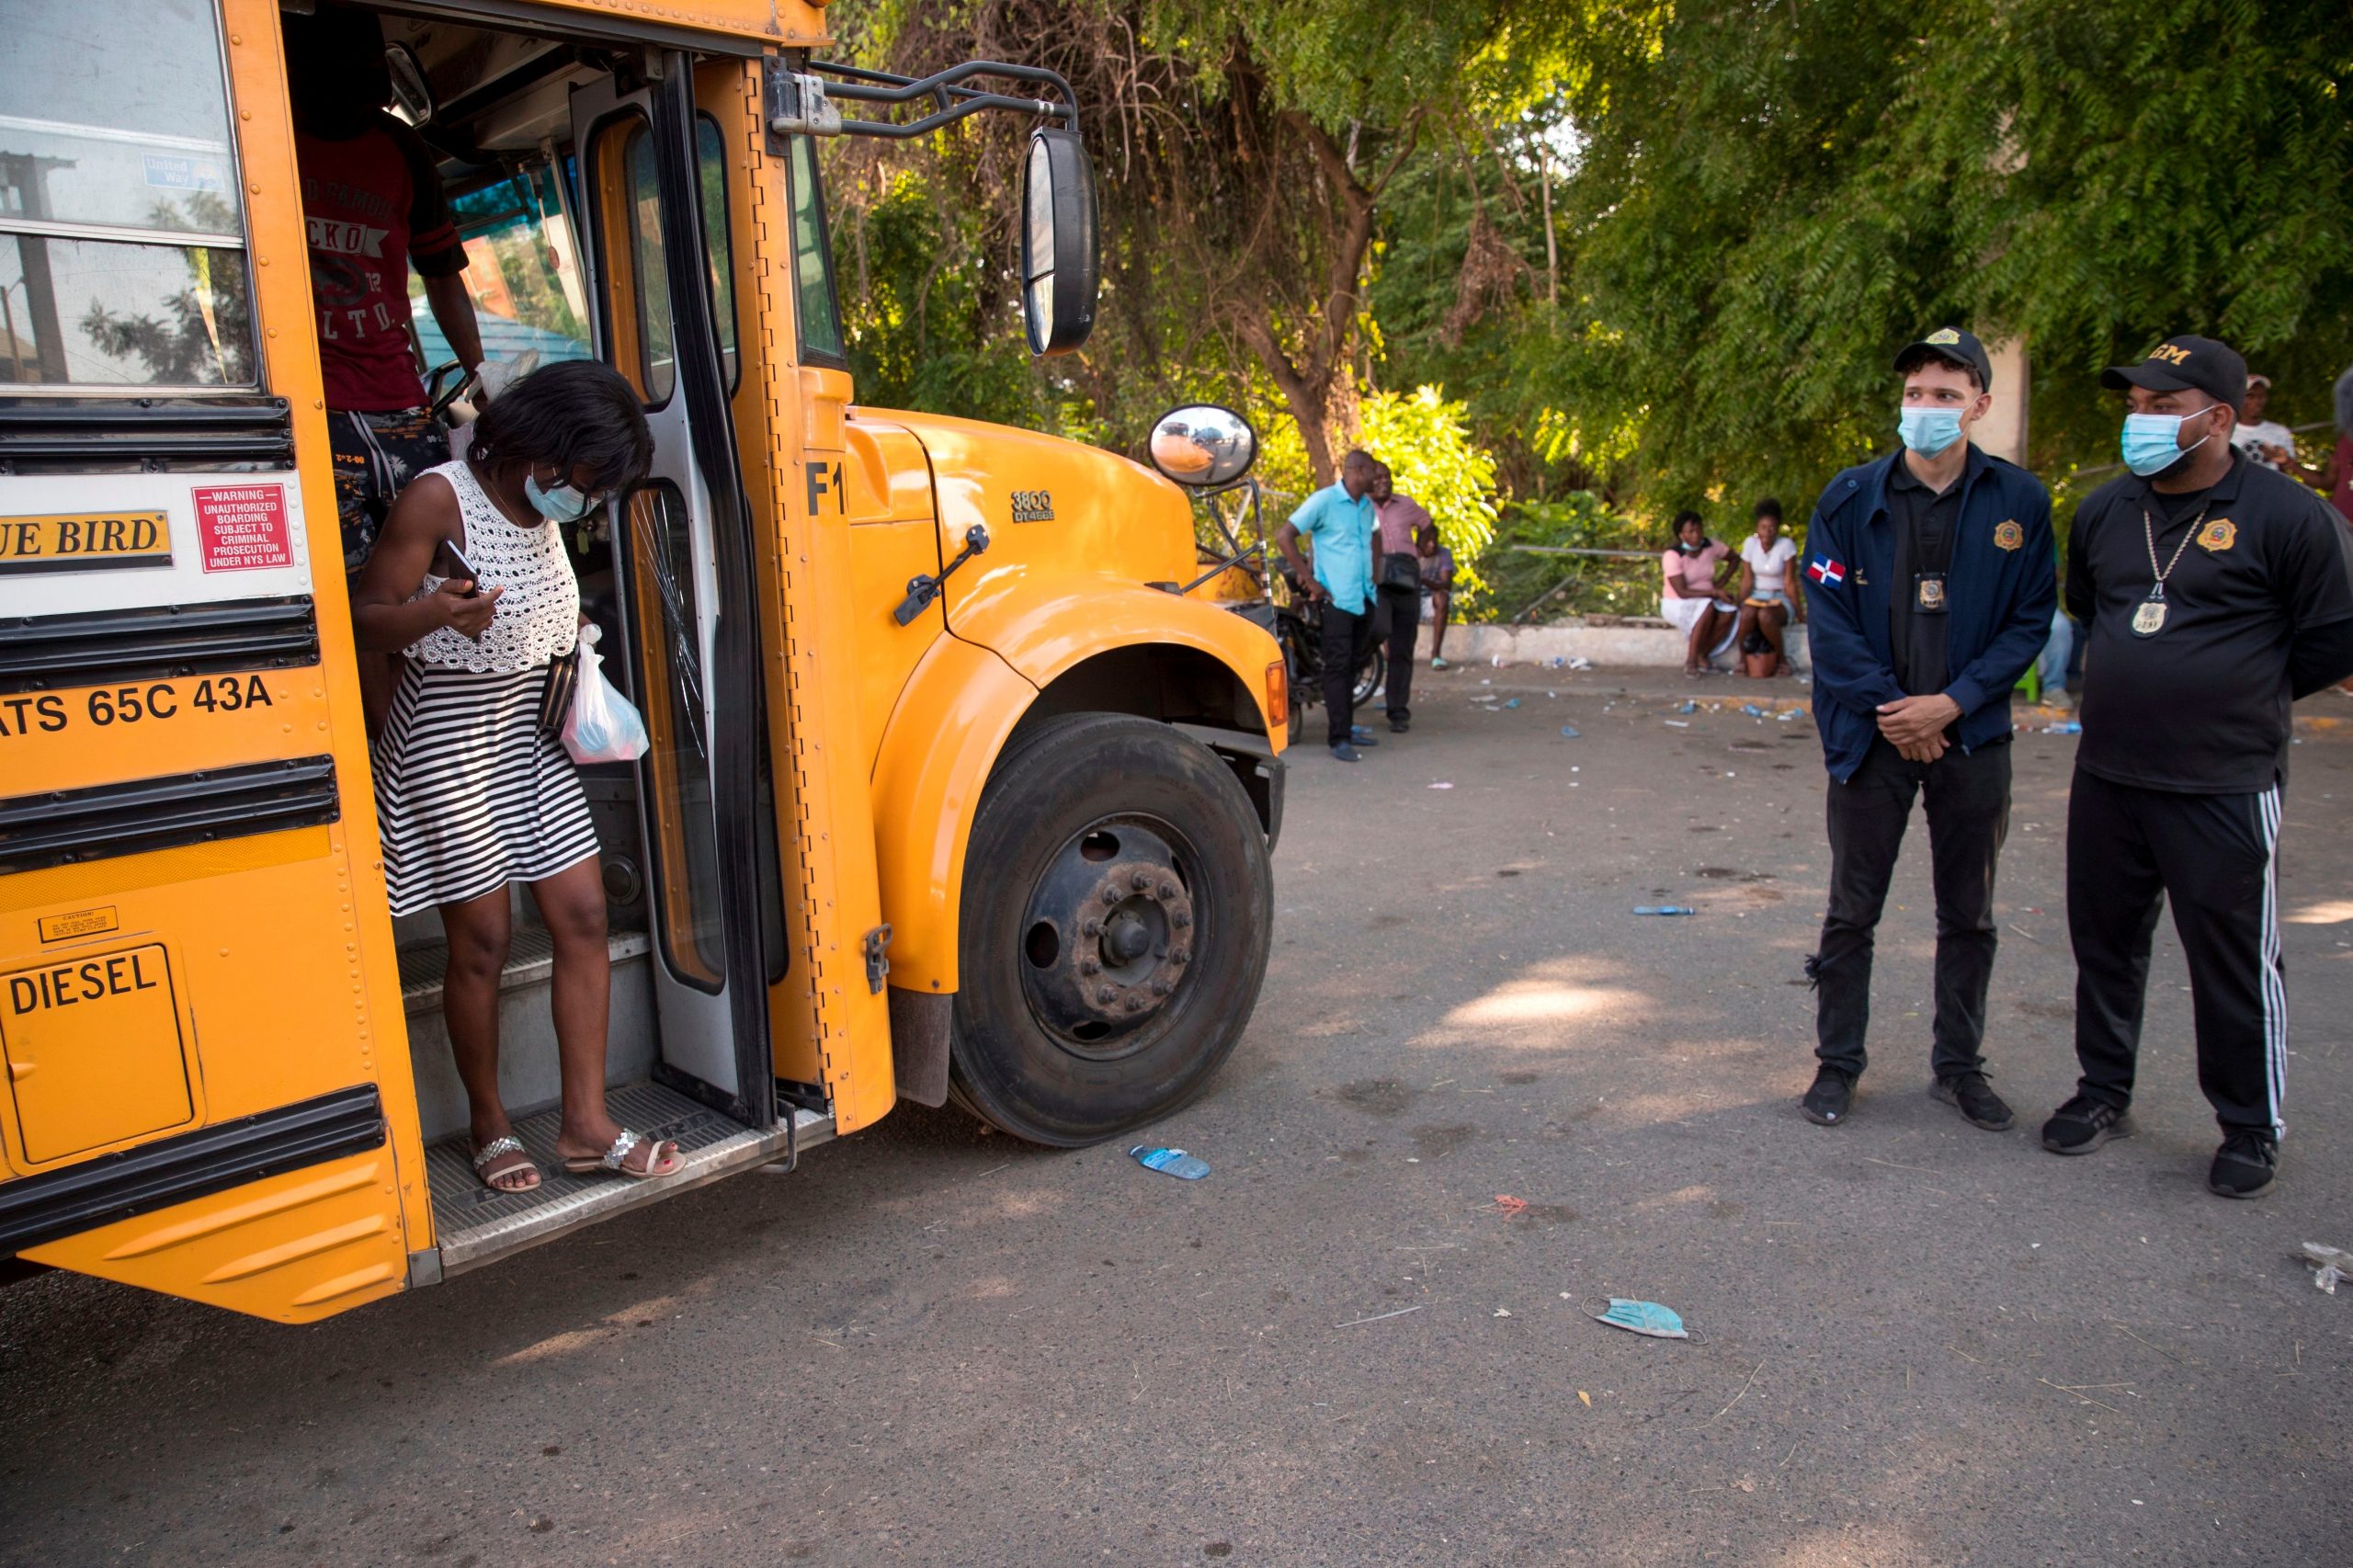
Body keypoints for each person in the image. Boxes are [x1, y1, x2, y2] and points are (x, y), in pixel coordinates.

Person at [352, 360, 678, 1192]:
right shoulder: (438, 498)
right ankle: (491, 1126)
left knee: (581, 915)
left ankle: (584, 1125)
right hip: (446, 740)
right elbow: (365, 617)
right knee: (485, 941)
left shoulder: (543, 505)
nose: (588, 500)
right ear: (543, 445)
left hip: (528, 737)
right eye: (587, 479)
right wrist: (437, 612)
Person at [2044, 335, 2353, 1199]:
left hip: (2223, 782)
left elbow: (2333, 636)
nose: (2139, 420)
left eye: (2162, 405)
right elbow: (2090, 610)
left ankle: (2251, 1125)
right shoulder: (2107, 513)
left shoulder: (2287, 515)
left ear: (2218, 419)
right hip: (2109, 774)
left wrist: (2237, 690)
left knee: (2233, 959)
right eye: (2134, 404)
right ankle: (2103, 1090)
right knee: (2105, 946)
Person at [1798, 326, 2056, 1132]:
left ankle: (1959, 1068)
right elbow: (1829, 623)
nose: (1926, 409)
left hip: (1971, 739)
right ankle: (1837, 1065)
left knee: (1968, 914)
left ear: (1979, 405)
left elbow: (2029, 621)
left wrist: (1952, 704)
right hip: (1869, 738)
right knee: (1851, 912)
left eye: (1945, 395)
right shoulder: (1847, 498)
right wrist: (1896, 711)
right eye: (1915, 394)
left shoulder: (2019, 502)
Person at [286, 5, 486, 729]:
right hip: (315, 412)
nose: (368, 88)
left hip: (401, 404)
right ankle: (383, 748)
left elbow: (442, 273)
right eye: (352, 72)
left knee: (450, 577)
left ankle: (440, 734)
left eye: (374, 73)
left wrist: (479, 371)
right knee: (356, 602)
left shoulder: (401, 152)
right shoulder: (267, 137)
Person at [1275, 450, 1384, 761]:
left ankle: (1347, 728)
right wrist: (1310, 580)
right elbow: (1285, 535)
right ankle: (1338, 739)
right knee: (1337, 667)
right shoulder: (1324, 501)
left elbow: (1375, 537)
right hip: (1336, 600)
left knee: (1353, 665)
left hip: (1364, 596)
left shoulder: (1366, 507)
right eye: (1373, 473)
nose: (1377, 479)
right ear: (1357, 471)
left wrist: (1375, 573)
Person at [1370, 463, 1434, 732]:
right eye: (1378, 478)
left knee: (1402, 648)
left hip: (1406, 580)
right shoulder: (1360, 508)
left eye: (1388, 477)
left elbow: (1428, 523)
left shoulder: (1405, 504)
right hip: (1376, 582)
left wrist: (1423, 546)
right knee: (1377, 629)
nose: (1384, 482)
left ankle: (1398, 711)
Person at [1660, 511, 1735, 675]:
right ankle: (1691, 660)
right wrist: (1714, 592)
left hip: (1708, 596)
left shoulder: (1710, 546)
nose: (1697, 535)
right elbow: (1682, 592)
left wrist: (1721, 582)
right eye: (1691, 532)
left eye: (1699, 530)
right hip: (1678, 601)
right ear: (1681, 535)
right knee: (1707, 608)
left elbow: (1734, 558)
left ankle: (1703, 654)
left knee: (1730, 613)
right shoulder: (1672, 555)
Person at [1734, 498, 1804, 675]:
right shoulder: (1750, 544)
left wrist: (1799, 612)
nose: (1767, 531)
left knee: (1766, 616)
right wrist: (1739, 602)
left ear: (1778, 527)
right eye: (1763, 527)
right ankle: (1743, 659)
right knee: (1747, 614)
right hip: (1757, 595)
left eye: (1771, 527)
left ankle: (1782, 660)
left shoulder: (1786, 546)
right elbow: (1747, 580)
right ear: (1757, 528)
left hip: (1779, 597)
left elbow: (1789, 581)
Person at [2228, 373, 2299, 472]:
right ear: (2238, 398)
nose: (2258, 401)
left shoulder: (2280, 432)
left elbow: (2286, 473)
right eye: (2250, 396)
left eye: (2261, 395)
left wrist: (2281, 459)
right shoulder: (2225, 431)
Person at [1419, 522, 1457, 669]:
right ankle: (1388, 656)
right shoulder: (1411, 554)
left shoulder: (1444, 554)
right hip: (1411, 598)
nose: (1432, 544)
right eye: (1428, 541)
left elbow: (1446, 584)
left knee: (1442, 597)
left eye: (1434, 540)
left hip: (1431, 600)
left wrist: (1424, 581)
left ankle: (1436, 654)